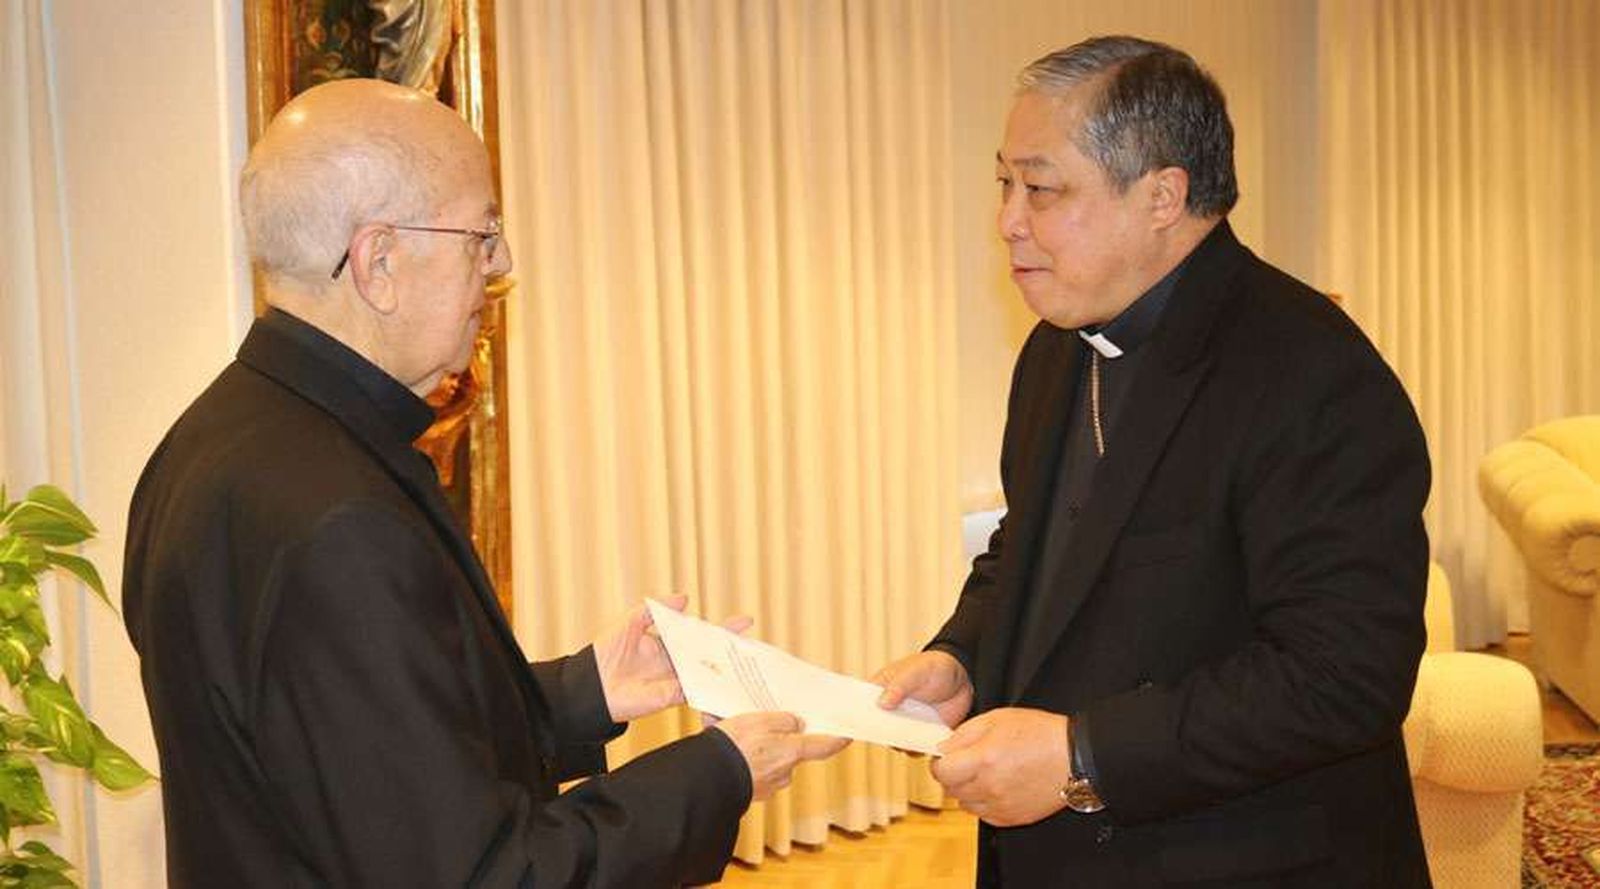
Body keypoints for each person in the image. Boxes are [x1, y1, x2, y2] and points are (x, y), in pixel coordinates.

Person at [123, 78, 845, 889]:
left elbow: (364, 751)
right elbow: (486, 873)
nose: (501, 266)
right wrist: (718, 772)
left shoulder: (208, 440)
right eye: (483, 233)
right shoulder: (341, 520)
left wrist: (589, 690)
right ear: (380, 262)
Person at [875, 36, 1432, 886]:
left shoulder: (1311, 371)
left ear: (1163, 195)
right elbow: (1031, 546)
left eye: (1041, 187)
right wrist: (960, 655)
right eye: (1005, 183)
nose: (1008, 220)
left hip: (1240, 856)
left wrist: (1081, 754)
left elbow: (1343, 674)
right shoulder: (1057, 347)